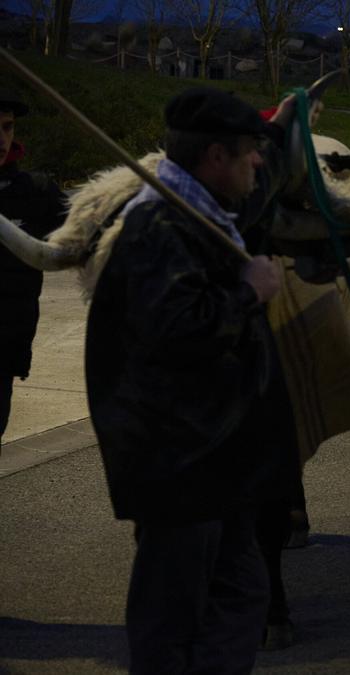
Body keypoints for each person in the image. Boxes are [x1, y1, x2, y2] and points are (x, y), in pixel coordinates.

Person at [86, 87, 301, 673]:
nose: (257, 161)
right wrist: (249, 292)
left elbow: (253, 194)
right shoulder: (161, 227)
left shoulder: (201, 210)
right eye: (249, 150)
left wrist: (280, 128)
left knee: (241, 590)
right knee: (172, 611)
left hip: (214, 460)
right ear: (214, 157)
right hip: (179, 461)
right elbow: (176, 332)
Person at [0, 88, 67, 447]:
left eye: (7, 127)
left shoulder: (35, 192)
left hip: (5, 348)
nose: (2, 139)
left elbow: (91, 232)